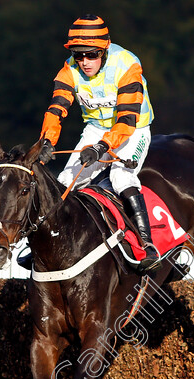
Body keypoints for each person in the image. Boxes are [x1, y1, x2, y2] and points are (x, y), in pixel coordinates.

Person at [31, 14, 160, 273]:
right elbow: (56, 110)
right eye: (79, 55)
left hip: (133, 129)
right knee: (66, 181)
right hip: (96, 129)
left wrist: (102, 148)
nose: (84, 62)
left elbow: (126, 121)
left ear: (105, 48)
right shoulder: (69, 70)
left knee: (121, 177)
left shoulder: (127, 65)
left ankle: (147, 245)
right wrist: (46, 141)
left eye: (91, 54)